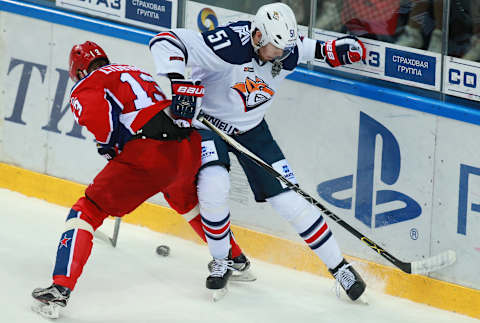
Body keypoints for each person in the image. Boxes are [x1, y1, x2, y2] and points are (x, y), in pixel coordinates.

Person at [149, 2, 367, 300]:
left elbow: (314, 49)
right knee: (214, 186)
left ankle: (339, 267)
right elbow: (165, 40)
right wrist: (177, 80)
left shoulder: (285, 48)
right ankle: (221, 260)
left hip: (252, 130)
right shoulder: (227, 46)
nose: (281, 55)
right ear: (256, 35)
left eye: (285, 49)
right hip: (209, 126)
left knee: (290, 202)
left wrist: (338, 49)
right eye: (275, 48)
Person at [31, 41, 247, 318]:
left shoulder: (86, 84)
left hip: (151, 154)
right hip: (187, 147)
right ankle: (235, 257)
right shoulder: (133, 70)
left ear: (78, 70)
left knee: (87, 210)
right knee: (184, 201)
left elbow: (104, 129)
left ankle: (59, 289)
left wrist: (109, 148)